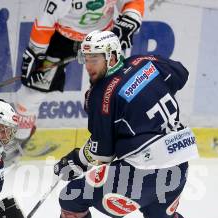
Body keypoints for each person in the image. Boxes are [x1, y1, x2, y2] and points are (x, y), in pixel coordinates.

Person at [46, 30, 216, 218]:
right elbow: (180, 73)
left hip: (142, 171)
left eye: (95, 59)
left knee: (72, 197)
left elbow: (102, 152)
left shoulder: (103, 94)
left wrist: (74, 161)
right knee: (161, 215)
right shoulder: (146, 62)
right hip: (178, 166)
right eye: (87, 59)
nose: (89, 66)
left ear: (112, 56)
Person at [9, 0, 145, 161]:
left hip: (102, 39)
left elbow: (132, 2)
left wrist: (130, 18)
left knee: (114, 91)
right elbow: (45, 21)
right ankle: (17, 141)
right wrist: (35, 52)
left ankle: (118, 143)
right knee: (33, 90)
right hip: (62, 38)